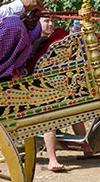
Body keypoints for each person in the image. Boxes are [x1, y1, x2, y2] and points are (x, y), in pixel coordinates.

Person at [35, 15, 94, 172]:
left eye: (52, 21)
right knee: (52, 114)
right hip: (40, 89)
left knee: (75, 110)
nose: (50, 24)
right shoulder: (34, 40)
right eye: (46, 21)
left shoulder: (58, 36)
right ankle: (52, 159)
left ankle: (87, 150)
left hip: (62, 84)